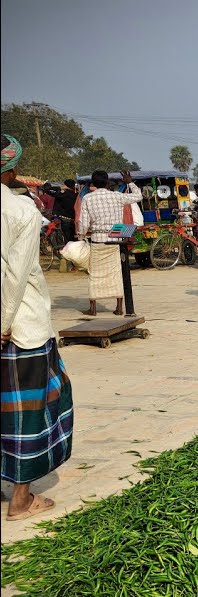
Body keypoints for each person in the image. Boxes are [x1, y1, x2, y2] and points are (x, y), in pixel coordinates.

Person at [1, 134, 73, 522]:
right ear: (11, 169)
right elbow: (15, 275)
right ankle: (21, 499)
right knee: (28, 410)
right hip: (18, 326)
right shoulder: (20, 210)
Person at [77, 169, 142, 316]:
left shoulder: (87, 198)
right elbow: (138, 196)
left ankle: (93, 308)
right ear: (107, 182)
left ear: (93, 183)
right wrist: (130, 182)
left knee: (95, 273)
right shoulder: (116, 196)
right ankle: (119, 307)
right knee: (116, 272)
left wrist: (81, 236)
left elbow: (83, 224)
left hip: (97, 240)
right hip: (116, 238)